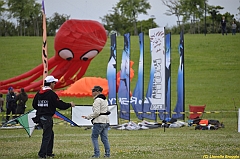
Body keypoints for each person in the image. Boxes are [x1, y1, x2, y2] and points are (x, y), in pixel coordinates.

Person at [32, 75, 75, 159]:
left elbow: (34, 105)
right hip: (47, 117)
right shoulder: (51, 94)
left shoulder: (39, 92)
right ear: (51, 83)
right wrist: (69, 104)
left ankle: (48, 152)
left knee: (50, 134)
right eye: (54, 83)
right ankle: (42, 154)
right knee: (47, 136)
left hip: (40, 116)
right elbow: (60, 105)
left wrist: (42, 109)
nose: (55, 84)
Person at [82, 86, 110, 158]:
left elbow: (97, 112)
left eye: (93, 91)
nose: (92, 93)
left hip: (99, 121)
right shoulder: (105, 99)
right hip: (106, 120)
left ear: (97, 91)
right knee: (104, 138)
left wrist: (88, 117)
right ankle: (107, 154)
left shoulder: (97, 100)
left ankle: (96, 154)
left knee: (94, 137)